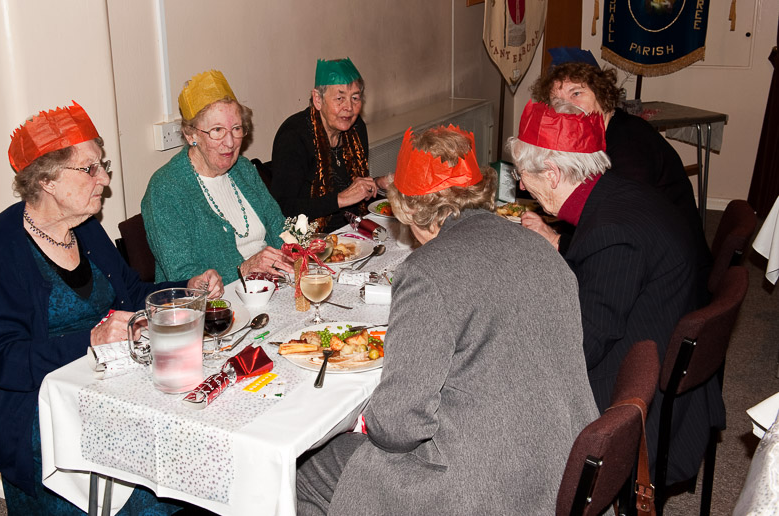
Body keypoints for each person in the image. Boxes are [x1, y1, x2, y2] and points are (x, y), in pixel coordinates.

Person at [296, 125, 598, 514]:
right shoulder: (539, 247)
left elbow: (397, 427)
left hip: (488, 489)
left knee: (307, 469)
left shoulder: (426, 272)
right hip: (567, 466)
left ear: (406, 208)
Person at [0, 102, 223, 514]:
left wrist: (185, 290)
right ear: (47, 180)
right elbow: (1, 359)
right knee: (158, 477)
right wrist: (89, 341)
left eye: (102, 165)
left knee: (205, 423)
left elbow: (131, 292)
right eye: (90, 169)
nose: (104, 179)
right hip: (45, 409)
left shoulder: (84, 227)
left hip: (115, 383)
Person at [507, 99, 722, 484]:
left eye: (521, 175)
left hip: (637, 396)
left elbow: (584, 347)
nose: (521, 186)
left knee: (498, 387)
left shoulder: (611, 232)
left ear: (552, 174)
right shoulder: (616, 193)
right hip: (654, 345)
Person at [525, 57, 706, 252]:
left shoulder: (630, 141)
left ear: (602, 95)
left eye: (576, 93)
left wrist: (557, 240)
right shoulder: (598, 136)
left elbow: (618, 222)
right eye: (557, 101)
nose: (566, 107)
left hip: (671, 256)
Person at [142, 68, 293, 285]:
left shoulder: (243, 169)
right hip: (214, 302)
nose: (230, 142)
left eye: (236, 128)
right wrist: (243, 270)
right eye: (217, 130)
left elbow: (280, 228)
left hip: (270, 287)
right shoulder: (166, 189)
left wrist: (296, 255)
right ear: (191, 135)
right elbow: (183, 277)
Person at [271, 57, 390, 232]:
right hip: (312, 236)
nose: (349, 107)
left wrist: (378, 183)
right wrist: (340, 199)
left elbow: (353, 190)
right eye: (340, 98)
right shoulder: (294, 136)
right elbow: (282, 209)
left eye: (355, 98)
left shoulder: (356, 128)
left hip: (353, 227)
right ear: (318, 100)